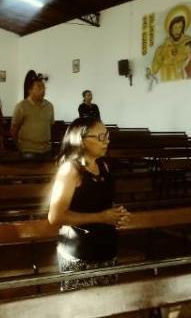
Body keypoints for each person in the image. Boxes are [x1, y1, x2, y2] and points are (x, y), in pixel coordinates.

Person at [48, 117, 130, 291]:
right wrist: (101, 217)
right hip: (80, 253)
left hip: (106, 249)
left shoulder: (104, 165)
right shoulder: (71, 170)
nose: (107, 140)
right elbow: (55, 217)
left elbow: (101, 202)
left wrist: (118, 214)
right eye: (100, 137)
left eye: (107, 135)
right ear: (82, 140)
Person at [10, 72, 54, 160]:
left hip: (46, 150)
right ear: (30, 90)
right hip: (28, 150)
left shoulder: (49, 106)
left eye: (44, 88)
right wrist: (19, 145)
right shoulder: (22, 106)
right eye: (39, 88)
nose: (43, 91)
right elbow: (14, 129)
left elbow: (50, 125)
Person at [147, 10, 191, 82]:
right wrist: (163, 53)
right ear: (170, 28)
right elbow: (154, 69)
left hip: (183, 82)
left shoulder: (189, 43)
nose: (178, 31)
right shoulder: (162, 48)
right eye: (175, 27)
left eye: (180, 27)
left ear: (183, 28)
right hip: (165, 81)